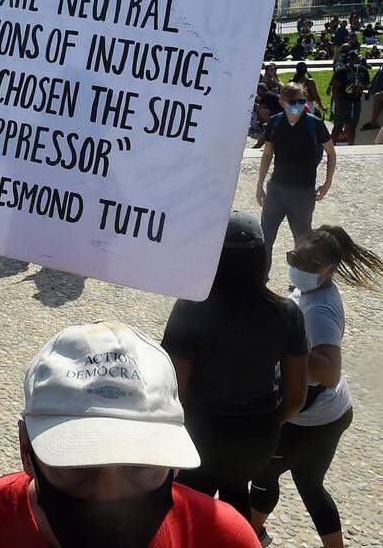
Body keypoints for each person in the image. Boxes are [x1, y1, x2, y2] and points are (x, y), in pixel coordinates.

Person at [0, 322, 260, 548]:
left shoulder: (221, 538)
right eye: (77, 467)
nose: (108, 499)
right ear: (27, 450)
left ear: (174, 464)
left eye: (140, 466)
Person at [161, 211, 308, 521]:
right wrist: (266, 424)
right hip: (256, 441)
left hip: (201, 434)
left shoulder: (190, 308)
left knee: (189, 515)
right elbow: (296, 398)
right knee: (236, 498)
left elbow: (175, 389)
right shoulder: (288, 313)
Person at [251, 226, 381, 548]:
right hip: (333, 412)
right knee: (309, 483)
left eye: (310, 265)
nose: (298, 267)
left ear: (329, 270)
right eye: (294, 258)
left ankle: (251, 535)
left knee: (264, 472)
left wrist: (287, 344)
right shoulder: (308, 291)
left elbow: (330, 372)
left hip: (312, 418)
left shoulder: (321, 308)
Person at [256, 83, 336, 262]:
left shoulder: (314, 123)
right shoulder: (275, 122)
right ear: (282, 102)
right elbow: (268, 154)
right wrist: (259, 185)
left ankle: (299, 283)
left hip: (303, 193)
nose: (298, 105)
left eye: (302, 100)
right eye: (293, 101)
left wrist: (327, 183)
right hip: (276, 190)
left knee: (302, 242)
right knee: (265, 239)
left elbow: (331, 152)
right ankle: (261, 279)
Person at [329, 51, 370, 145]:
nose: (358, 60)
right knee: (338, 126)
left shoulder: (363, 70)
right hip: (343, 101)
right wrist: (337, 104)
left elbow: (368, 84)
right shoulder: (342, 71)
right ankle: (332, 147)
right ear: (350, 59)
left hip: (356, 102)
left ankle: (351, 146)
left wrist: (363, 87)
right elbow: (334, 89)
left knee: (352, 126)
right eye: (356, 58)